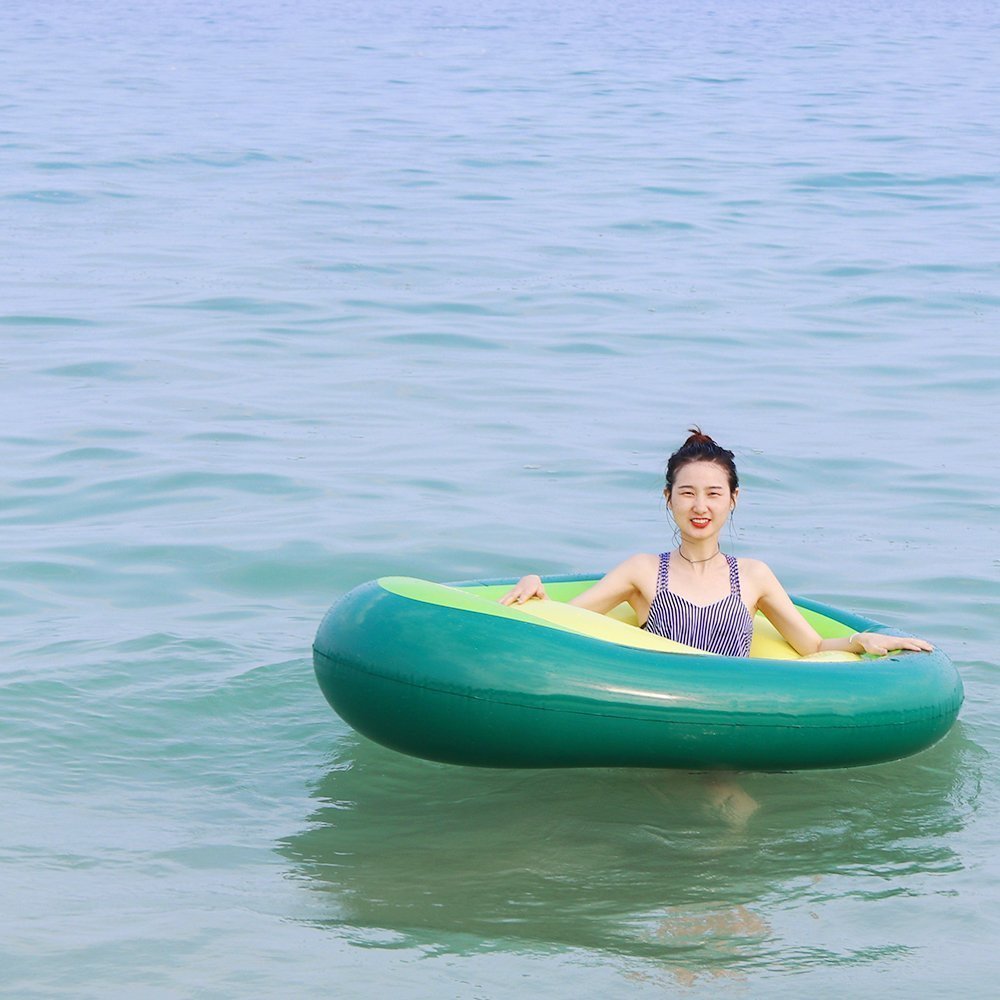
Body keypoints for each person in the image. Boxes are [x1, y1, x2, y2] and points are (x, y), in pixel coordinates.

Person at [500, 428, 933, 658]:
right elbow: (567, 621)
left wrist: (862, 641)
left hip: (732, 714)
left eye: (713, 493)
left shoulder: (754, 576)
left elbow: (813, 646)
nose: (699, 506)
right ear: (668, 499)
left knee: (731, 812)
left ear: (733, 499)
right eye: (687, 493)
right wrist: (535, 583)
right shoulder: (643, 571)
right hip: (659, 709)